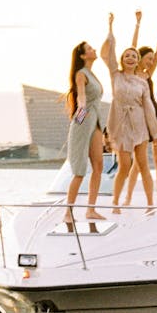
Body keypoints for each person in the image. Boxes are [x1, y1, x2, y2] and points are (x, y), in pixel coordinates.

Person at [100, 13, 157, 212]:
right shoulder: (115, 75)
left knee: (143, 164)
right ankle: (116, 202)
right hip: (120, 124)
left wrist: (156, 134)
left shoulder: (142, 81)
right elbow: (108, 52)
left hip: (139, 125)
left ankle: (150, 204)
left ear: (138, 62)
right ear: (122, 60)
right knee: (125, 165)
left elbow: (149, 109)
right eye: (127, 55)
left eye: (134, 56)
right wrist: (110, 27)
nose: (130, 58)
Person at [123, 10, 157, 206]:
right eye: (148, 58)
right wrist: (138, 23)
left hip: (156, 118)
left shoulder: (148, 74)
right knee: (138, 162)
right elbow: (132, 47)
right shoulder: (131, 73)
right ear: (139, 58)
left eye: (152, 59)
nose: (151, 61)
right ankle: (127, 198)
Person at [64, 40, 105, 231]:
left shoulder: (92, 73)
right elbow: (81, 95)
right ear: (82, 56)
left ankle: (91, 209)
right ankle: (68, 212)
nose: (93, 49)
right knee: (80, 169)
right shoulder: (81, 74)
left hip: (95, 120)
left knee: (98, 165)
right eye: (89, 49)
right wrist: (80, 112)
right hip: (83, 118)